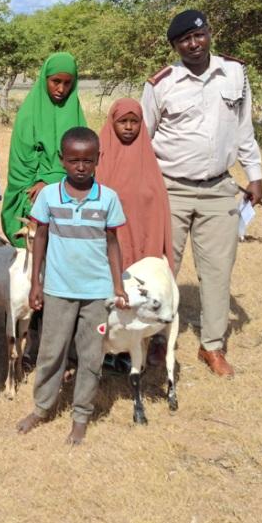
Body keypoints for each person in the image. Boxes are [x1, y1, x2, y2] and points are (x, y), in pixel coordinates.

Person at [141, 10, 262, 378]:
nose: (193, 45)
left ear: (209, 34)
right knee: (163, 269)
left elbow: (244, 129)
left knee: (217, 271)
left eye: (199, 36)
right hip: (170, 189)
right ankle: (158, 338)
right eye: (184, 41)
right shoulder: (161, 83)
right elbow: (142, 138)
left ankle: (211, 346)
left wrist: (254, 174)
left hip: (219, 189)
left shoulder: (235, 74)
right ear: (175, 46)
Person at [16, 127, 127, 445]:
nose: (81, 166)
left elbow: (113, 243)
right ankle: (42, 407)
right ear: (62, 159)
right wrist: (37, 282)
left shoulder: (108, 198)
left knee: (91, 358)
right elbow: (40, 238)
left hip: (95, 292)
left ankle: (81, 415)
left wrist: (118, 285)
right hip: (58, 289)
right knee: (51, 352)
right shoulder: (50, 195)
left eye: (88, 160)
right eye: (74, 160)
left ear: (98, 160)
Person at [96, 97, 176, 372]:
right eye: (123, 121)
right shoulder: (100, 155)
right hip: (110, 242)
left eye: (135, 122)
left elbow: (159, 208)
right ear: (112, 122)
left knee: (137, 295)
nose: (129, 127)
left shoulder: (148, 160)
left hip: (142, 246)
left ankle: (133, 349)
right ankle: (106, 348)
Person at [0, 52, 86, 247]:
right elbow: (20, 164)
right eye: (55, 81)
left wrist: (51, 181)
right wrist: (39, 187)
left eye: (67, 83)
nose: (61, 89)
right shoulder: (28, 114)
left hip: (71, 189)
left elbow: (84, 158)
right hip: (31, 191)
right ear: (44, 78)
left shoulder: (76, 115)